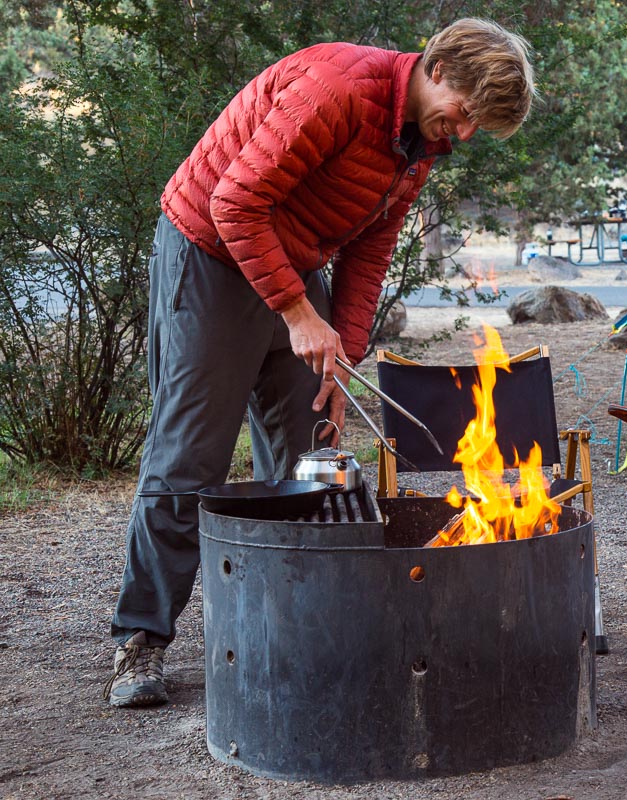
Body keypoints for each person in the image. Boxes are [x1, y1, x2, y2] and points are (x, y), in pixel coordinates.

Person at [103, 19, 536, 708]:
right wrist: (299, 314)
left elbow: (369, 253)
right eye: (467, 115)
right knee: (190, 458)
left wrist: (342, 355)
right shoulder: (335, 89)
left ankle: (289, 630)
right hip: (210, 252)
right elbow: (234, 202)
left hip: (293, 261)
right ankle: (140, 642)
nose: (466, 133)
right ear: (442, 69)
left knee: (310, 455)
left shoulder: (418, 147)